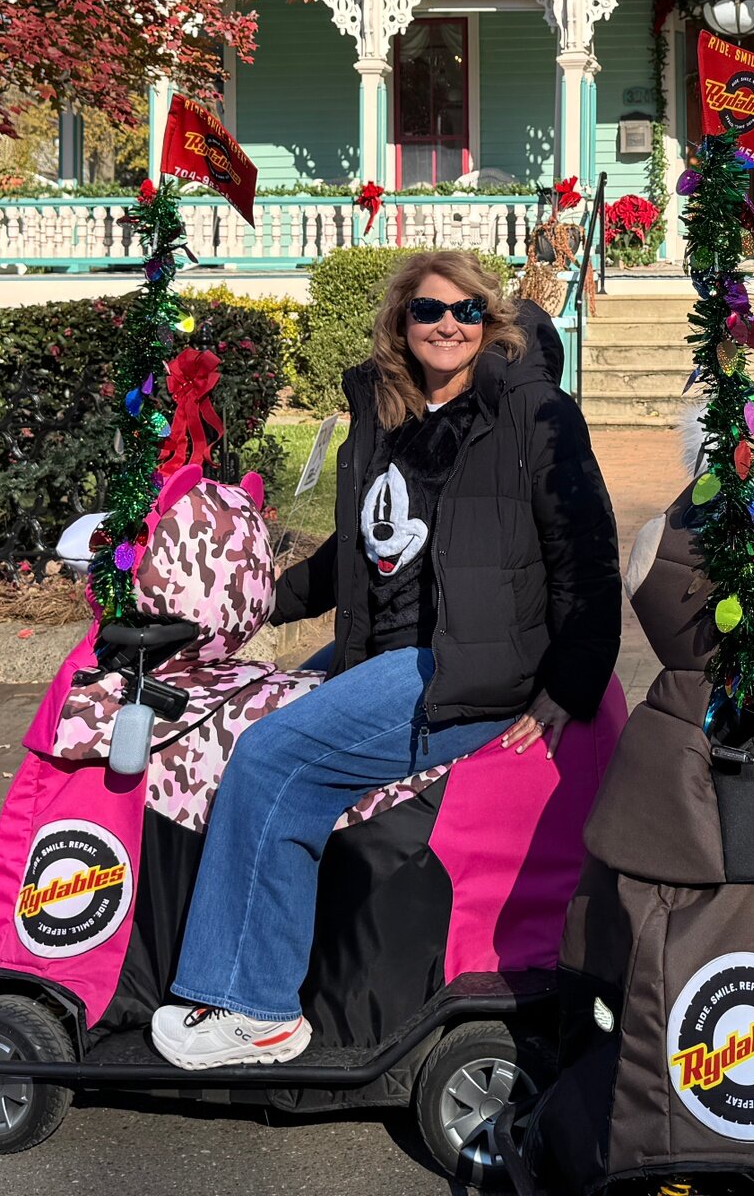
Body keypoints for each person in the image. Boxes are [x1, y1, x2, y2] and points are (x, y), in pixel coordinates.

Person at [150, 250, 619, 1071]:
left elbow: (588, 554)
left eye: (467, 311)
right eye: (429, 310)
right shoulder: (390, 411)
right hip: (385, 646)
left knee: (270, 757)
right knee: (244, 707)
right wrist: (255, 606)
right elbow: (360, 551)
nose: (448, 325)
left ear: (490, 322)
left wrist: (568, 685)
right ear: (401, 321)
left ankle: (255, 1008)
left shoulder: (529, 412)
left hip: (467, 665)